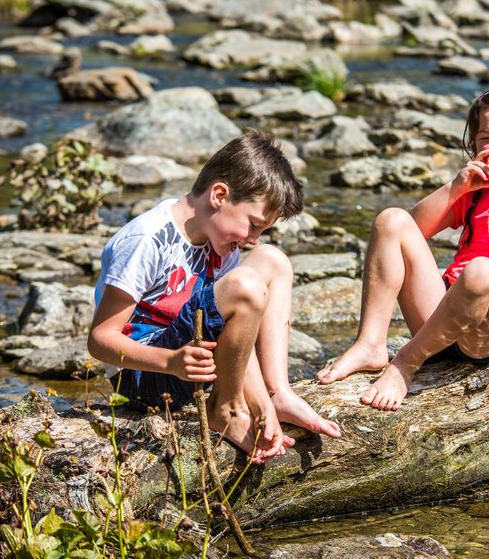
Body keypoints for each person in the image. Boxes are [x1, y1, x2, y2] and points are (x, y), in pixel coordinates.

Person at [316, 80, 489, 410]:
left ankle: (407, 361)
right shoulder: (476, 191)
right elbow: (409, 231)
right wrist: (456, 188)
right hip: (441, 315)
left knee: (482, 272)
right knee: (390, 219)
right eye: (487, 138)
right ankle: (370, 342)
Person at [88, 130, 341, 462]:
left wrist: (262, 402)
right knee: (246, 286)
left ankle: (277, 392)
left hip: (190, 358)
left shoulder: (218, 241)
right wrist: (171, 362)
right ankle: (226, 409)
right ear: (219, 195)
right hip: (144, 375)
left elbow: (236, 330)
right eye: (253, 225)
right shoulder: (147, 240)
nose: (252, 239)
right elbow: (99, 340)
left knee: (273, 262)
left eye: (260, 230)